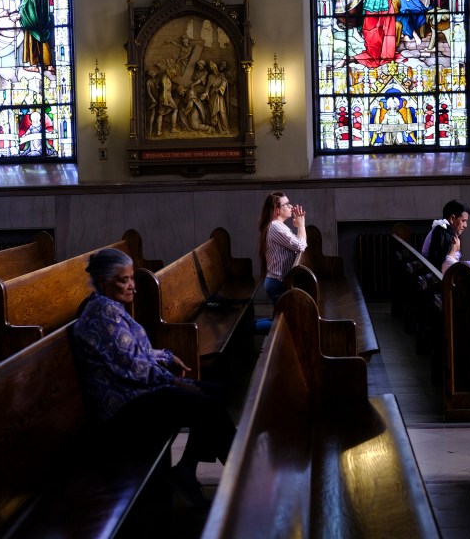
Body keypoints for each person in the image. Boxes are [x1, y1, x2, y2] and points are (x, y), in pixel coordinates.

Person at [72, 248, 236, 507]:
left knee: (217, 393)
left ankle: (187, 467)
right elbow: (132, 368)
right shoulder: (103, 314)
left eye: (131, 278)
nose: (132, 286)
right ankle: (242, 481)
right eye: (123, 280)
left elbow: (136, 350)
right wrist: (174, 381)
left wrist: (168, 357)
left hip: (137, 391)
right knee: (207, 404)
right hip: (123, 404)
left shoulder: (110, 306)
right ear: (103, 282)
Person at [257, 191, 307, 304]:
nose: (291, 206)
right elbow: (301, 246)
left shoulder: (279, 226)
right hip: (277, 283)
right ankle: (248, 323)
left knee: (284, 319)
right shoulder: (275, 227)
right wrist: (301, 225)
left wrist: (300, 226)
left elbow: (298, 245)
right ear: (276, 209)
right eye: (286, 204)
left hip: (279, 281)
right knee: (284, 321)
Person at [421, 199, 470, 274]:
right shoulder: (441, 233)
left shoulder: (443, 230)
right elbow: (449, 265)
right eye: (463, 221)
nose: (465, 225)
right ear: (452, 218)